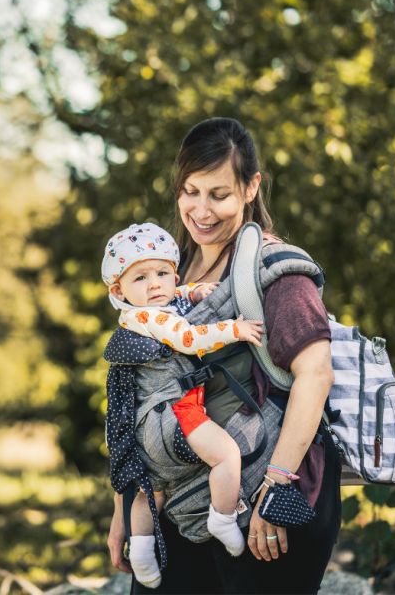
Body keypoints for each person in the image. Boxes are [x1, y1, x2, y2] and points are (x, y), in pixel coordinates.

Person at [105, 118, 341, 594]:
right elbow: (135, 388)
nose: (200, 209)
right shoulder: (171, 274)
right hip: (179, 500)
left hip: (263, 498)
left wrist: (276, 490)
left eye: (218, 194)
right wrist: (124, 506)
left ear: (251, 187)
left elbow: (315, 374)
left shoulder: (276, 268)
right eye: (190, 191)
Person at [101, 222, 266, 588]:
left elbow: (173, 298)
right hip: (176, 414)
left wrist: (193, 292)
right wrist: (234, 330)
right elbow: (189, 338)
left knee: (151, 490)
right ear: (119, 289)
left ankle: (142, 553)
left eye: (163, 273)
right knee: (226, 456)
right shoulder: (151, 317)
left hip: (147, 428)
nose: (156, 284)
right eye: (141, 278)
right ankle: (222, 517)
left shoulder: (138, 313)